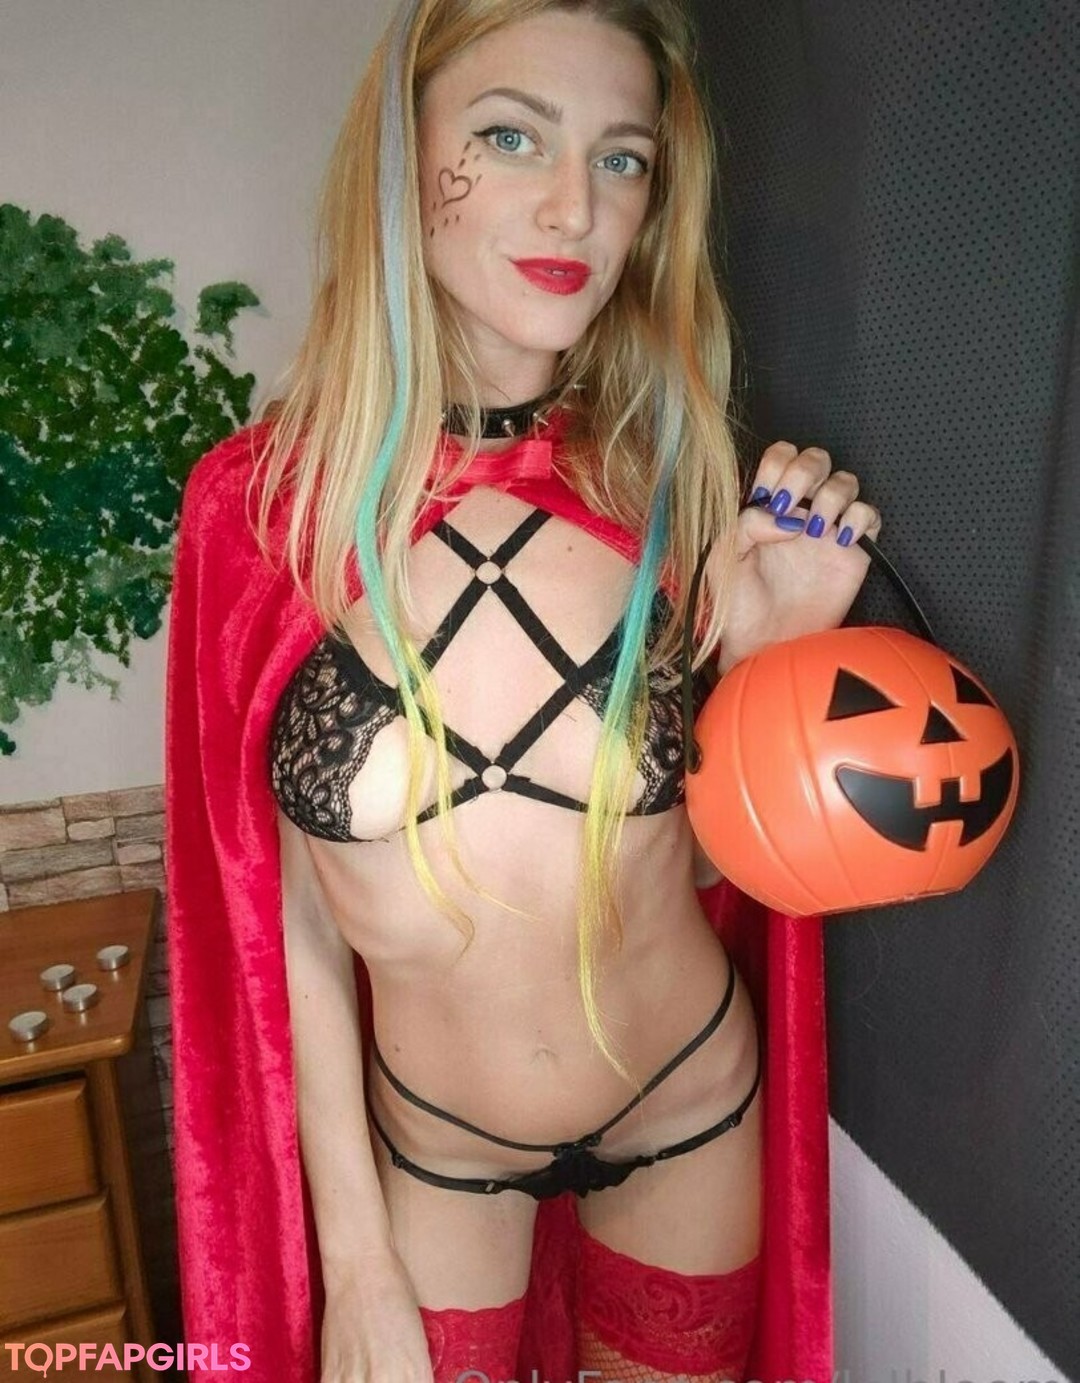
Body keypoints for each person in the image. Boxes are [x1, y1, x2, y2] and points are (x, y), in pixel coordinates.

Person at [166, 1, 880, 1380]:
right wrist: (356, 1267)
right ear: (402, 158)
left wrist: (770, 657)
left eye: (622, 158)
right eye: (511, 137)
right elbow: (278, 925)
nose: (575, 207)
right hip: (435, 1157)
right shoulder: (260, 514)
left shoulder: (667, 485)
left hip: (690, 1108)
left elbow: (709, 871)